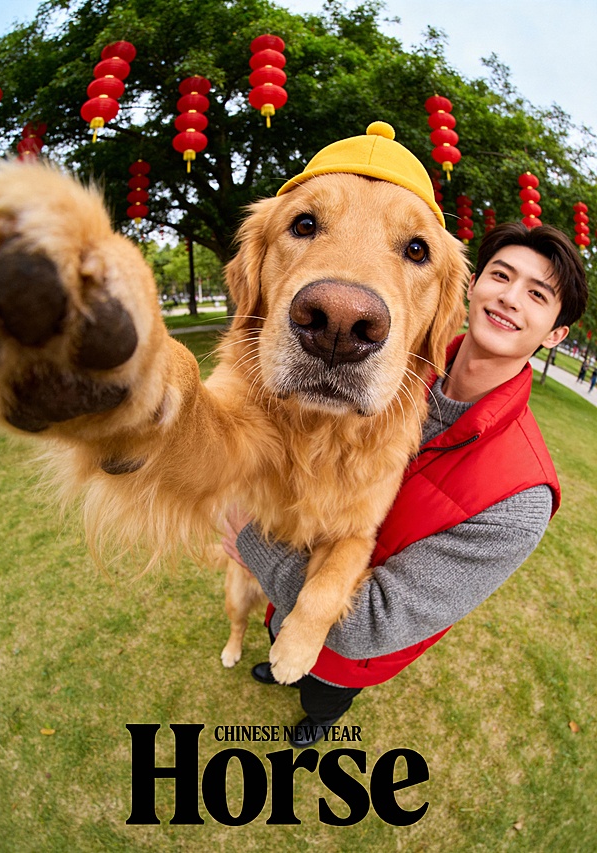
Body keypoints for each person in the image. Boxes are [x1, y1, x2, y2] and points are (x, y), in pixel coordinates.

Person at [222, 145, 588, 749]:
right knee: (280, 643)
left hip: (348, 655)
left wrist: (246, 534)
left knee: (321, 687)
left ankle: (316, 720)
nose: (509, 299)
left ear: (555, 334)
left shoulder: (522, 497)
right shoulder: (386, 370)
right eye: (500, 276)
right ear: (465, 294)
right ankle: (277, 656)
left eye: (538, 296)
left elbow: (370, 626)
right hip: (285, 598)